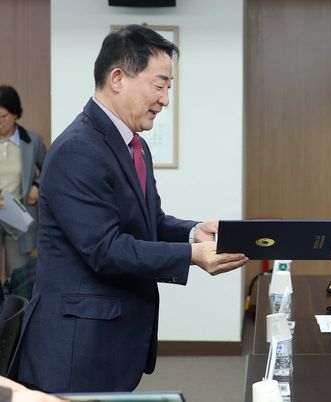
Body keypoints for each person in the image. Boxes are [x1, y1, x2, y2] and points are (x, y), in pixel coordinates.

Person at [8, 24, 248, 393]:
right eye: (159, 85)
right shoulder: (78, 149)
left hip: (112, 336)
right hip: (76, 345)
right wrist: (192, 256)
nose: (165, 100)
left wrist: (193, 232)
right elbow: (105, 249)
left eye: (169, 88)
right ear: (118, 78)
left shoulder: (134, 145)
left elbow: (150, 222)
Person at [0, 85, 46, 284]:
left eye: (3, 116)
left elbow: (48, 170)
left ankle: (17, 306)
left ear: (15, 114)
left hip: (16, 216)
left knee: (18, 277)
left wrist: (36, 185)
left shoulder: (33, 141)